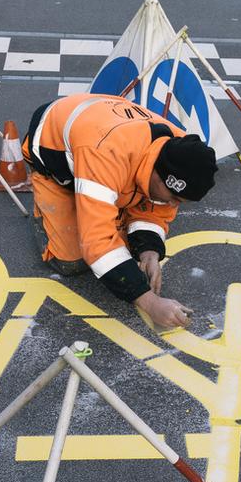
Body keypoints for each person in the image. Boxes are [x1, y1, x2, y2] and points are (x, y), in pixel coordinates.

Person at [21, 93, 218, 330]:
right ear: (159, 175)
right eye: (174, 197)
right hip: (53, 153)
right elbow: (97, 241)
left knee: (125, 246)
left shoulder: (182, 150)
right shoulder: (105, 154)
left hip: (104, 138)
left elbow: (157, 210)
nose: (175, 205)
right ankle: (47, 214)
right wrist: (150, 302)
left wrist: (149, 251)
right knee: (71, 262)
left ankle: (103, 201)